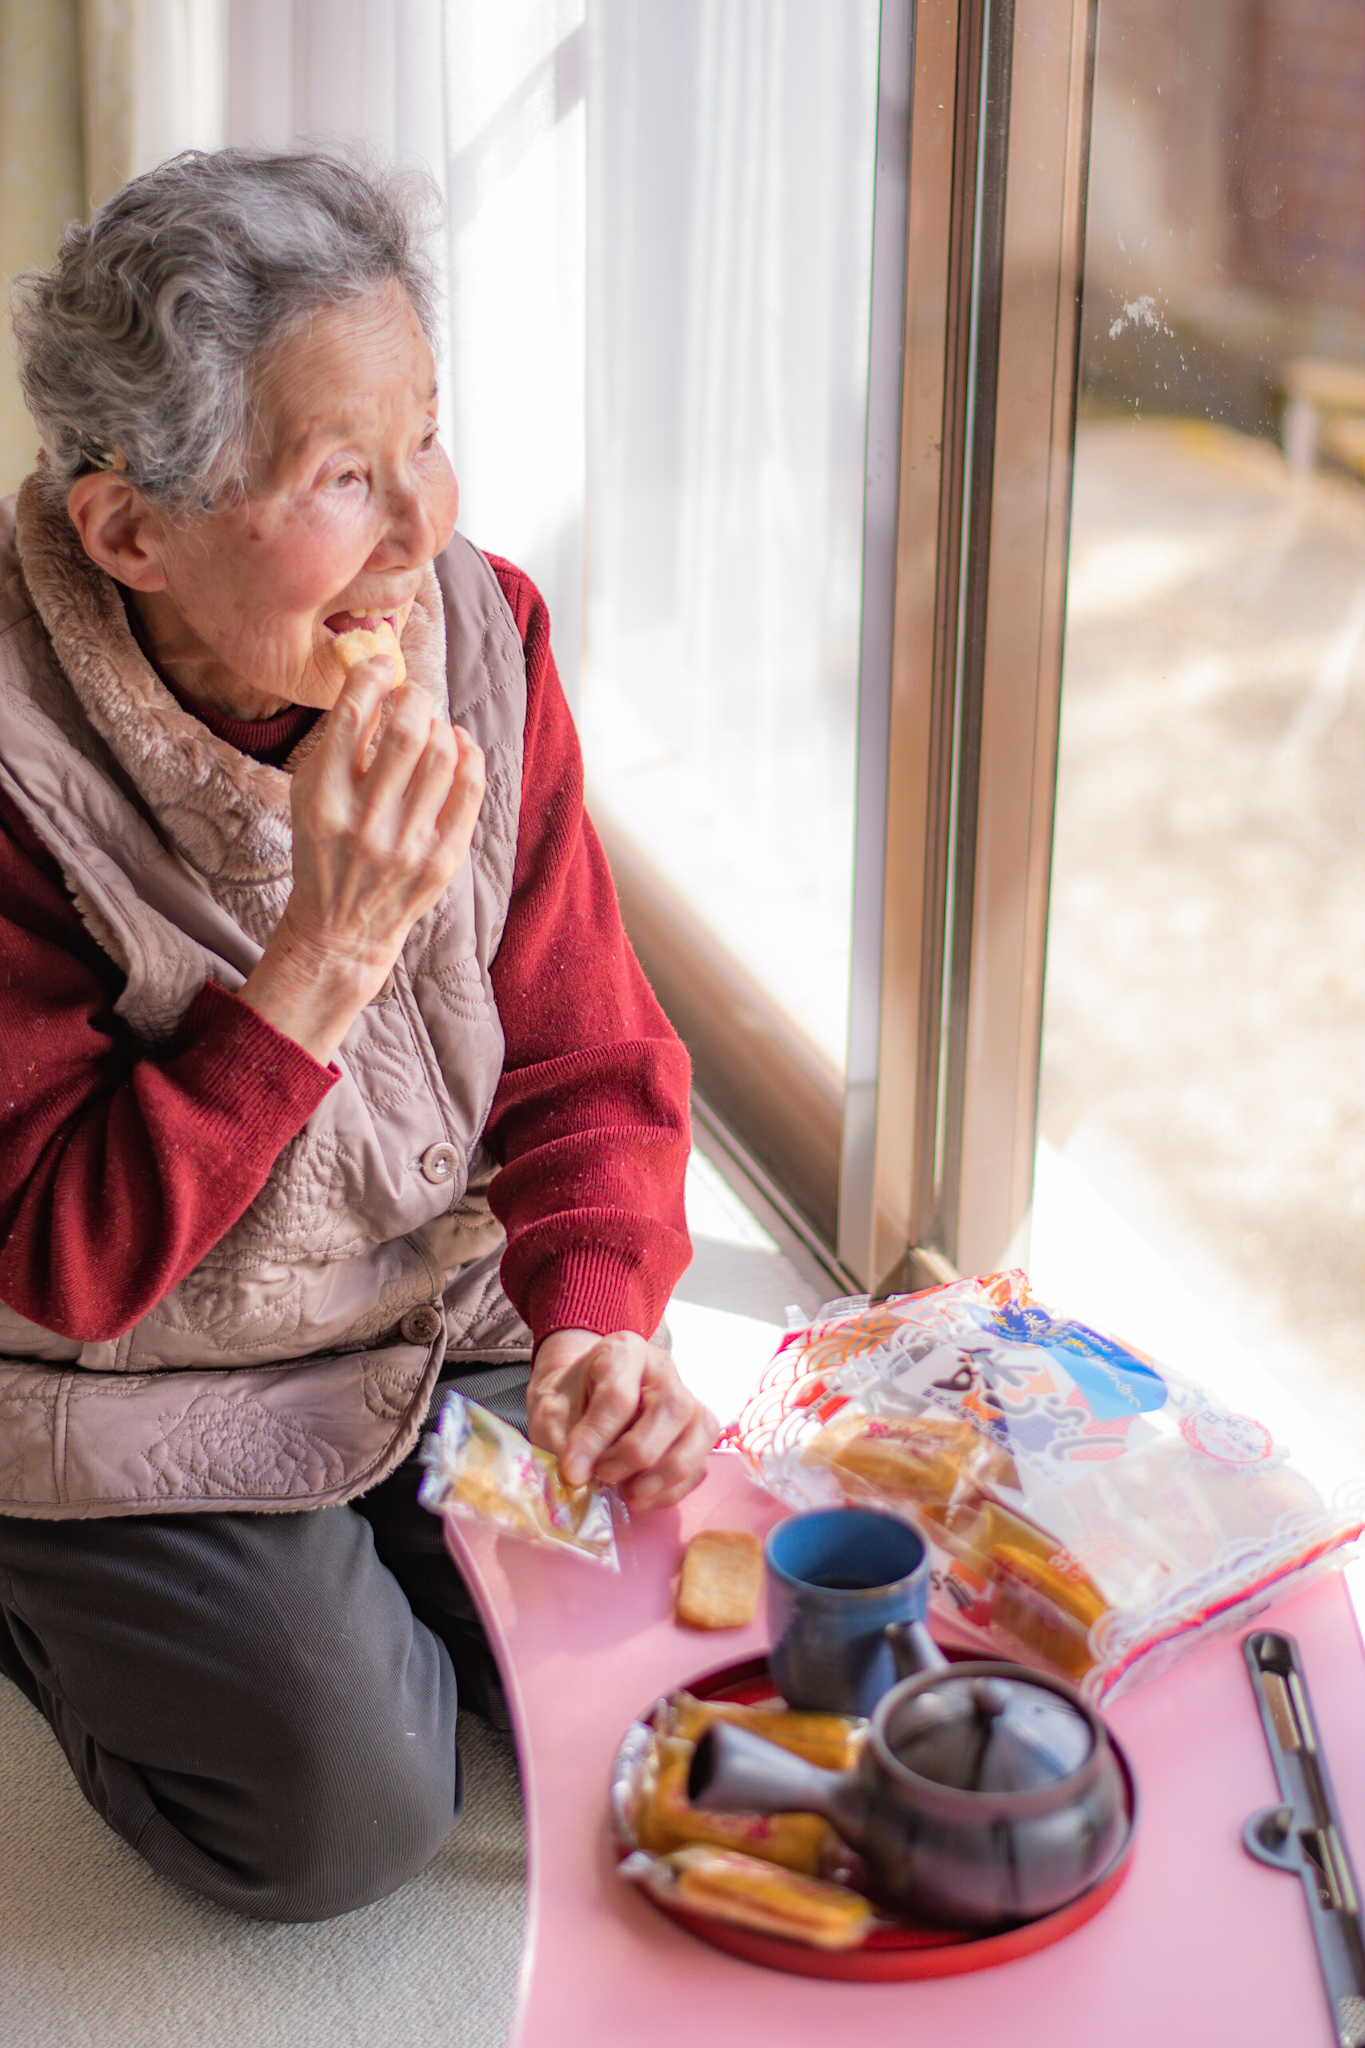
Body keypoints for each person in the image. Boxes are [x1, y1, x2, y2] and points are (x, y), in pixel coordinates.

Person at [0, 147, 715, 1920]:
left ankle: (386, 1527)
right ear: (127, 531)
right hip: (126, 1381)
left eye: (425, 441)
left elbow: (587, 1060)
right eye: (339, 476)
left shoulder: (477, 627)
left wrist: (594, 1322)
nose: (421, 528)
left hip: (430, 1319)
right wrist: (318, 957)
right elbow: (59, 1259)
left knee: (678, 1693)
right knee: (349, 1812)